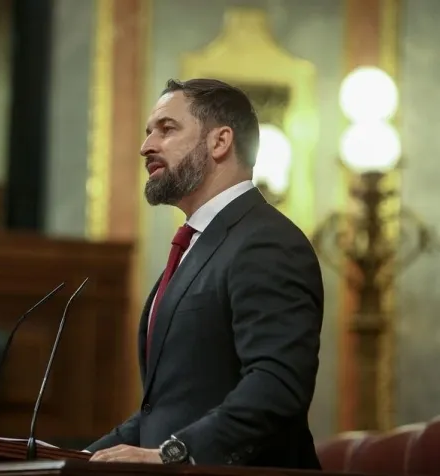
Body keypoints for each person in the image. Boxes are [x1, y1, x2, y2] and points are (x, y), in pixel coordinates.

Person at [86, 78, 324, 468]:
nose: (147, 146)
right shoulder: (199, 244)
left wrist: (175, 454)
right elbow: (168, 408)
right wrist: (78, 459)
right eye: (148, 132)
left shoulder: (266, 242)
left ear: (220, 142)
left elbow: (277, 384)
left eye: (166, 129)